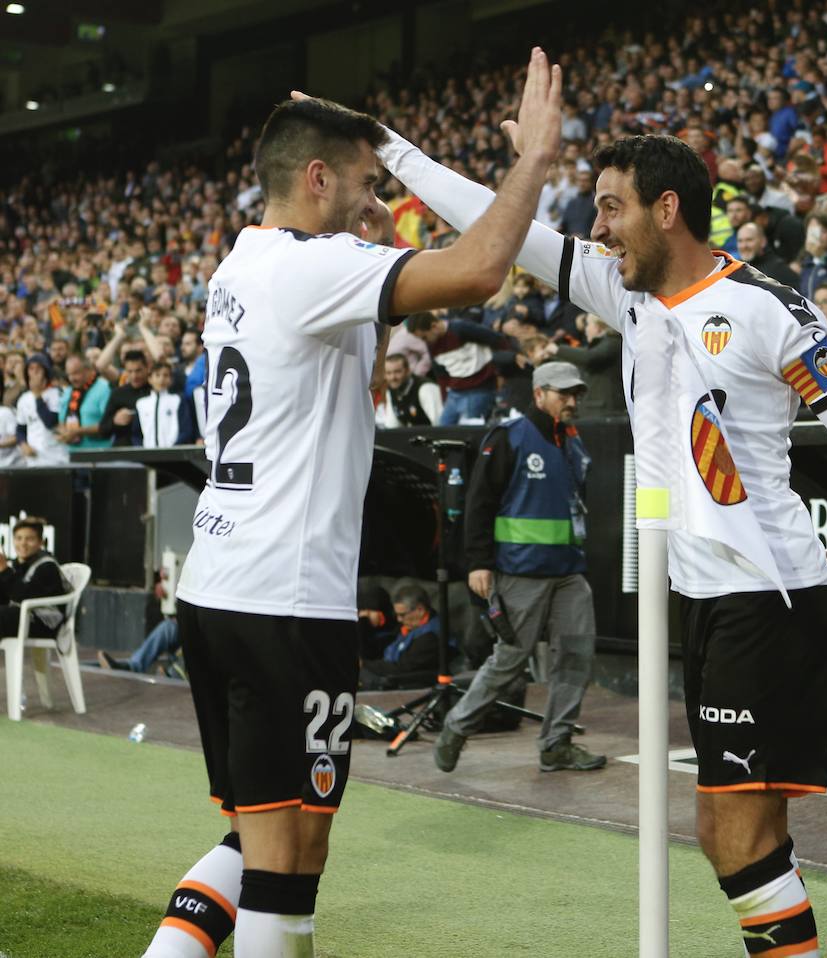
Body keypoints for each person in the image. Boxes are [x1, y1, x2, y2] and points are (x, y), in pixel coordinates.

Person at [379, 123, 827, 957]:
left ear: (667, 209)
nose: (600, 229)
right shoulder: (627, 293)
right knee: (740, 826)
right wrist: (391, 152)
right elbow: (500, 225)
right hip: (707, 596)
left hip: (768, 592)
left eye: (613, 208)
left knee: (731, 828)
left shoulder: (763, 305)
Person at [146, 50, 566, 958]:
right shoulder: (311, 267)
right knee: (286, 855)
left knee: (273, 832)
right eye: (367, 183)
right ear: (318, 177)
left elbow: (357, 369)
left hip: (226, 585)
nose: (377, 200)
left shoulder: (242, 268)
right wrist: (532, 161)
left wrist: (370, 247)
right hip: (285, 599)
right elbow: (483, 269)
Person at [433, 361, 605, 773]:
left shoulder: (573, 441)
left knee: (577, 656)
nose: (571, 401)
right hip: (520, 571)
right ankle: (456, 727)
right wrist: (477, 563)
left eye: (576, 394)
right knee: (510, 658)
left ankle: (556, 744)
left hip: (568, 571)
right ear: (539, 393)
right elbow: (479, 502)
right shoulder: (510, 437)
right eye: (563, 394)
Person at [359, 585, 444, 691]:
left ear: (420, 610)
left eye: (402, 615)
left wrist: (365, 664)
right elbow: (376, 647)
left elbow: (401, 668)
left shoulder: (430, 637)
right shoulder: (409, 627)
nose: (399, 619)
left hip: (404, 685)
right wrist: (364, 622)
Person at [0, 516, 68, 641]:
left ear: (41, 542)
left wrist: (4, 571)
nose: (23, 544)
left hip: (45, 623)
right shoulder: (15, 564)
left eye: (30, 539)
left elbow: (23, 596)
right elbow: (5, 598)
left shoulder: (47, 566)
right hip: (23, 615)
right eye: (18, 538)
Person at [14, 355, 68, 467]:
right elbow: (20, 429)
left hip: (57, 458)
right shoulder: (24, 399)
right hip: (33, 460)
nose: (35, 372)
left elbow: (51, 423)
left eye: (39, 368)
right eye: (31, 368)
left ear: (46, 371)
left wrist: (38, 395)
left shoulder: (58, 393)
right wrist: (23, 445)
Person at [56, 354, 113, 450]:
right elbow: (61, 421)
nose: (72, 378)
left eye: (76, 373)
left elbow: (108, 424)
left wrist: (78, 431)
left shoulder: (103, 388)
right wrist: (63, 433)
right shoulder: (68, 391)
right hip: (71, 454)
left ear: (88, 370)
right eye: (69, 374)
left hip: (98, 454)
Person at [135, 360, 196, 447]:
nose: (161, 379)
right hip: (147, 455)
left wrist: (175, 446)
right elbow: (136, 433)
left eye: (166, 375)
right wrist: (141, 448)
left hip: (173, 454)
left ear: (171, 380)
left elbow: (186, 429)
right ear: (150, 379)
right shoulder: (141, 404)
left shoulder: (177, 400)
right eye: (157, 375)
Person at [98, 349, 151, 446]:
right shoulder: (118, 393)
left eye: (138, 371)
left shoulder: (154, 391)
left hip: (151, 448)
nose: (134, 376)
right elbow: (102, 429)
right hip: (124, 450)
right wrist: (114, 421)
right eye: (130, 371)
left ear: (147, 368)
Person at [374, 353, 442, 427]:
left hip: (432, 436)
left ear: (408, 371)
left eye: (397, 372)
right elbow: (392, 425)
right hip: (411, 437)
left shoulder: (425, 388)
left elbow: (439, 423)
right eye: (388, 373)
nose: (393, 377)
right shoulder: (390, 391)